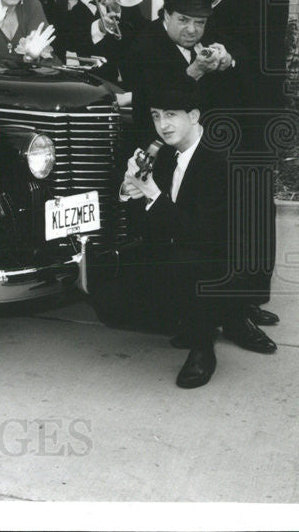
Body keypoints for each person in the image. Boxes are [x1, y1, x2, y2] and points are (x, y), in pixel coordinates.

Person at [98, 86, 236, 389]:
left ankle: (203, 347)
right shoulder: (160, 150)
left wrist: (152, 194)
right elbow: (133, 203)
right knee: (110, 298)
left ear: (195, 116)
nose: (163, 125)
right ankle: (183, 318)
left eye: (171, 115)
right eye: (157, 116)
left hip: (219, 261)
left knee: (188, 261)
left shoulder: (219, 160)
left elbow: (202, 236)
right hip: (179, 246)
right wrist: (130, 188)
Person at [193, 0, 288, 343]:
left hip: (253, 113)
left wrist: (231, 57)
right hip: (225, 113)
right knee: (231, 208)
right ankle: (239, 302)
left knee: (252, 209)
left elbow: (266, 45)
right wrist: (208, 2)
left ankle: (247, 302)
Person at [122, 0, 239, 148]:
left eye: (199, 22)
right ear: (167, 16)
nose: (192, 30)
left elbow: (241, 56)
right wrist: (195, 71)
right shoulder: (144, 46)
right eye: (183, 20)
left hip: (210, 141)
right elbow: (158, 101)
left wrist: (228, 60)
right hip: (161, 146)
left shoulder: (209, 32)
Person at [60, 0, 147, 83]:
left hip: (131, 86)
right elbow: (74, 46)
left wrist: (118, 11)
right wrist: (100, 27)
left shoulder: (127, 6)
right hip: (92, 87)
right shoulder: (66, 16)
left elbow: (144, 36)